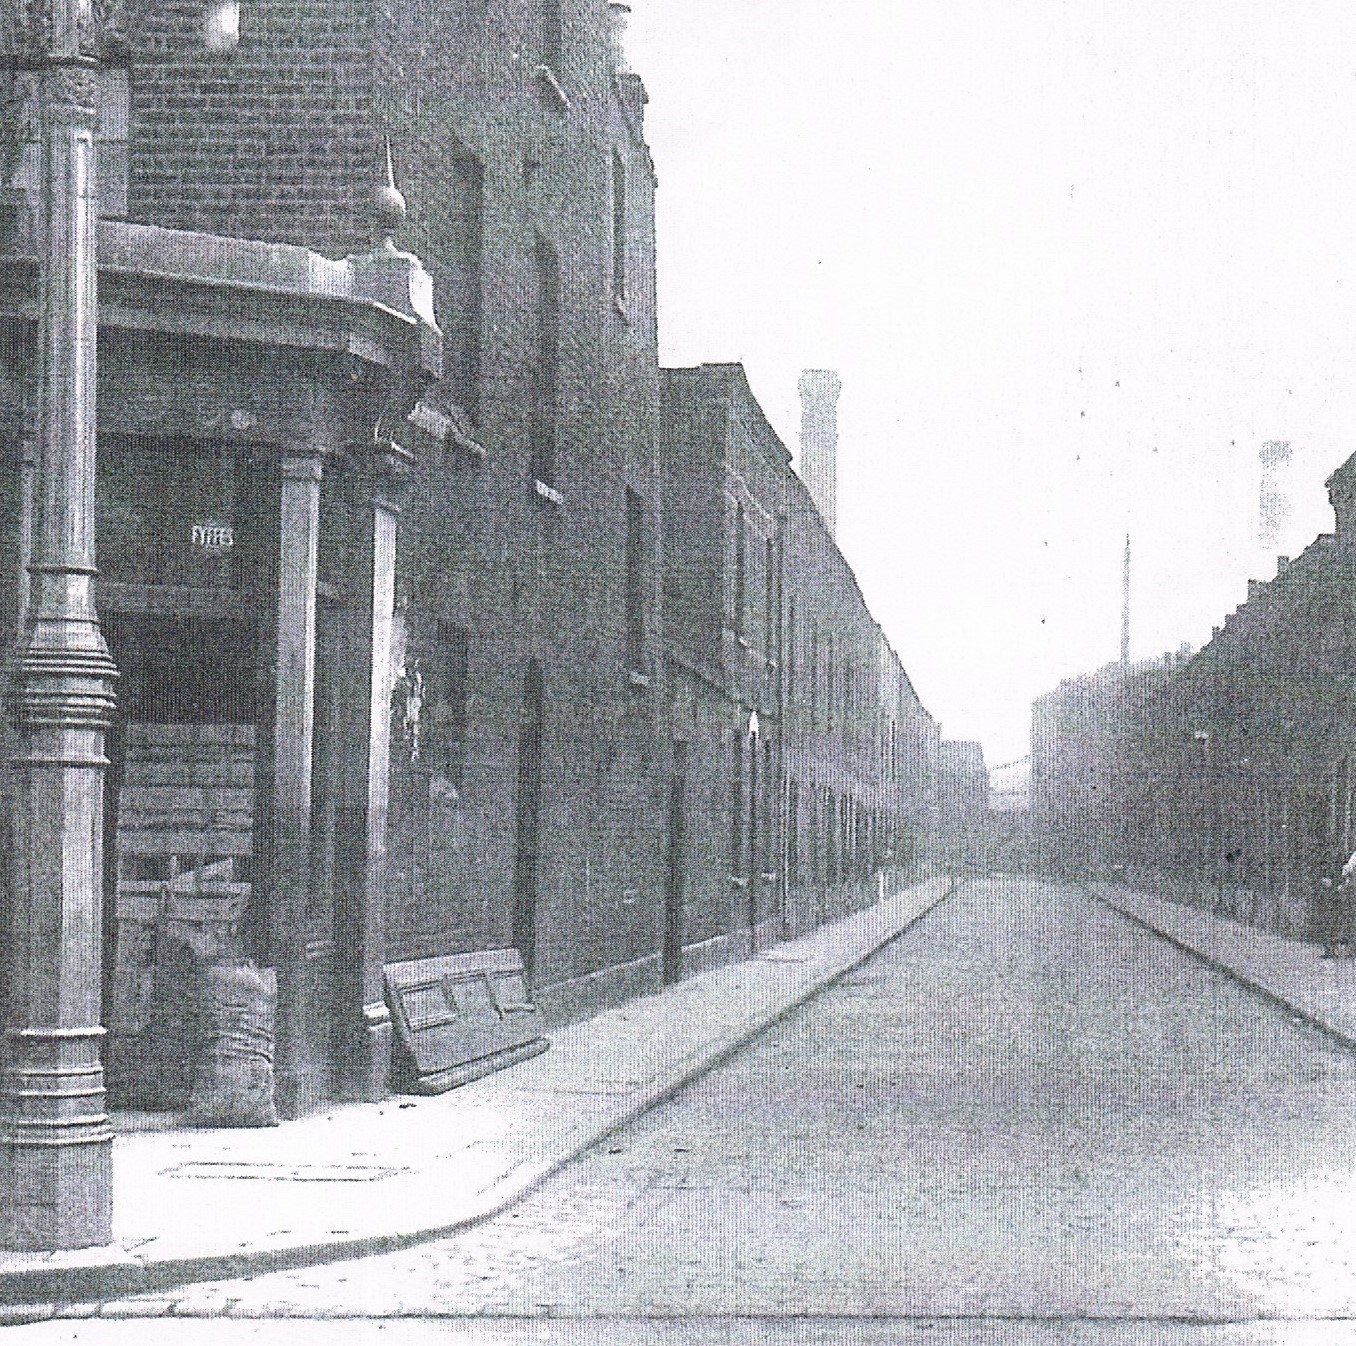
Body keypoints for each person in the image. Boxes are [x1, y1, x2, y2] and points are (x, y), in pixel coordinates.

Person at [1319, 850, 1356, 958]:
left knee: (1345, 920)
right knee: (1338, 919)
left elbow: (1347, 870)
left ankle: (1346, 949)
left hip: (1347, 890)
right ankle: (1333, 948)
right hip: (1345, 891)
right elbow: (1347, 870)